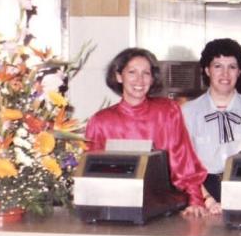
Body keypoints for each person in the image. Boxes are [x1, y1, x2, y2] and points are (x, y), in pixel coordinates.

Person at [85, 48, 212, 216]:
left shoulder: (167, 111)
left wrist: (196, 200)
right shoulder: (101, 121)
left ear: (152, 79)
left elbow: (183, 160)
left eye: (146, 73)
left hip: (164, 207)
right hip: (115, 207)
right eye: (132, 72)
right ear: (118, 76)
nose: (140, 79)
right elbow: (90, 174)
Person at [181, 38, 241, 204]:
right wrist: (206, 199)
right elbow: (184, 163)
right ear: (207, 70)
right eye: (218, 66)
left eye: (232, 67)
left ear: (239, 72)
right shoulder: (188, 112)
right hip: (202, 189)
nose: (225, 74)